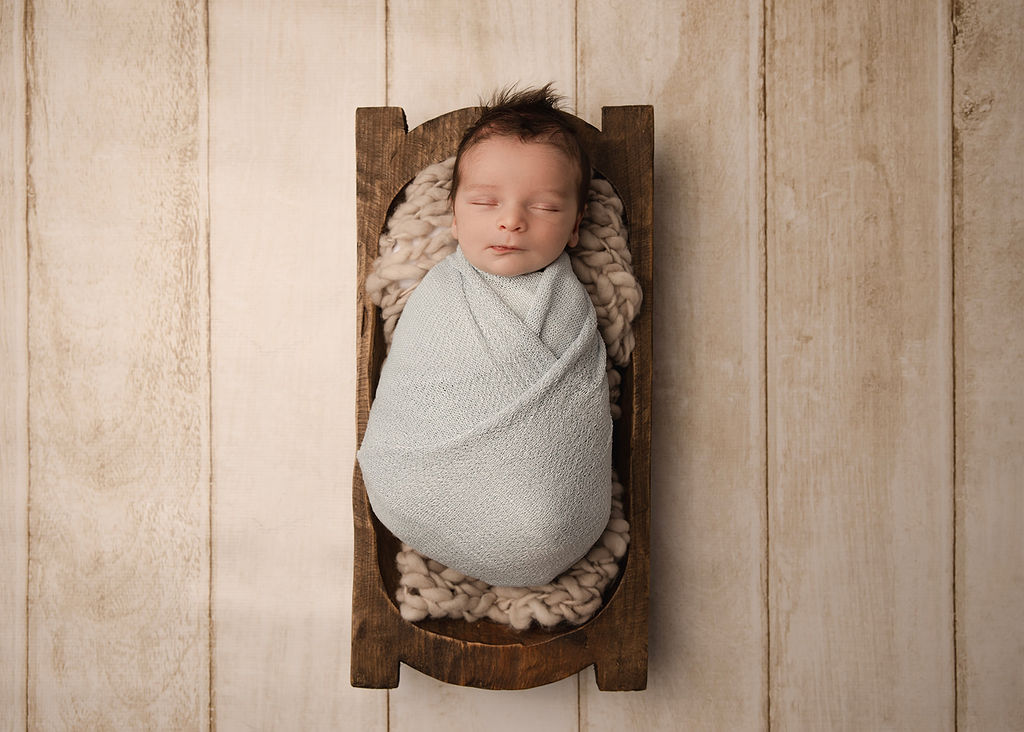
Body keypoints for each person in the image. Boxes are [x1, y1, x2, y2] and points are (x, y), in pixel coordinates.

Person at [357, 85, 612, 587]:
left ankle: (540, 529)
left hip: (549, 523)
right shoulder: (437, 295)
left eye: (544, 208)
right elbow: (415, 382)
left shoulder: (572, 306)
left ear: (577, 225)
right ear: (455, 215)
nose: (512, 220)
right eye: (486, 201)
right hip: (414, 488)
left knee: (543, 516)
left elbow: (577, 408)